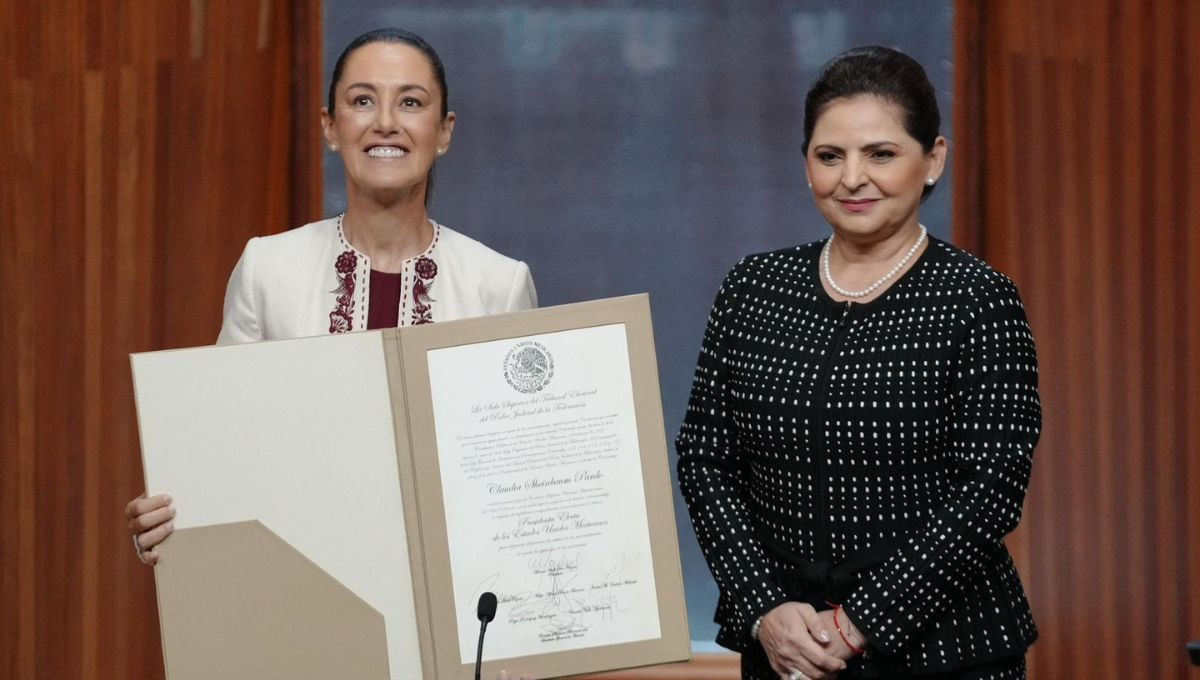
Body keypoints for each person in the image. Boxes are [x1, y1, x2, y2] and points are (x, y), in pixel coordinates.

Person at [676, 46, 1040, 680]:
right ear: (806, 164)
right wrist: (765, 610)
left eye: (881, 154)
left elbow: (990, 488)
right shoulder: (753, 289)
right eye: (829, 156)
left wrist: (858, 623)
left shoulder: (979, 299)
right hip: (784, 654)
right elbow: (706, 459)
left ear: (933, 160)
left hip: (945, 656)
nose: (851, 178)